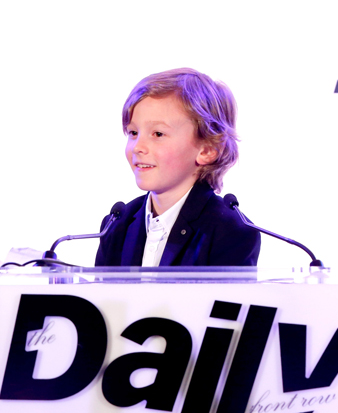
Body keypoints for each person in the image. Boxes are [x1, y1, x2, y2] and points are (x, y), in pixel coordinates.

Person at [95, 68, 260, 267]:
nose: (137, 147)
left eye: (157, 134)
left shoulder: (231, 230)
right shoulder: (117, 224)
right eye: (133, 132)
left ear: (207, 150)